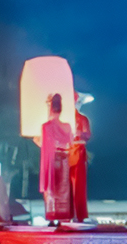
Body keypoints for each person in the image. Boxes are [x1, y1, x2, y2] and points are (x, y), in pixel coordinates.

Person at [35, 94, 74, 223]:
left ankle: (52, 218)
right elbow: (70, 143)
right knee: (63, 189)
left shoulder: (46, 127)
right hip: (64, 159)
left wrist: (37, 141)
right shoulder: (67, 126)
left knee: (51, 188)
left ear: (51, 108)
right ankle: (62, 217)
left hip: (52, 160)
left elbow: (44, 144)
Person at [68, 93, 92, 221]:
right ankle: (68, 214)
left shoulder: (83, 119)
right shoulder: (66, 119)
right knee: (66, 187)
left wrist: (77, 134)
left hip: (78, 152)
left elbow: (87, 135)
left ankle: (79, 214)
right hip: (67, 153)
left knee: (79, 185)